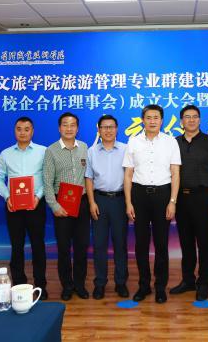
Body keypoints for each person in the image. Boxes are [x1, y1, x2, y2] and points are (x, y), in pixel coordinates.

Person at [123, 104, 181, 303]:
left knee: (161, 244)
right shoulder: (133, 141)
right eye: (148, 117)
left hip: (163, 195)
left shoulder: (170, 142)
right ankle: (144, 286)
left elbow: (175, 173)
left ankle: (160, 287)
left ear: (161, 120)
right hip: (139, 195)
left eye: (156, 117)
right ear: (143, 120)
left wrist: (172, 201)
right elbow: (128, 174)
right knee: (141, 244)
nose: (152, 121)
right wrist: (128, 202)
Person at [169, 105, 208, 301]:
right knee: (186, 242)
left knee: (204, 243)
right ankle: (188, 280)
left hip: (203, 197)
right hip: (181, 198)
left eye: (195, 117)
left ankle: (204, 282)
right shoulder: (174, 143)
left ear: (200, 120)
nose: (191, 120)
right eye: (187, 117)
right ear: (181, 121)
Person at [0, 116, 48, 300]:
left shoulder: (43, 151)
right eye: (19, 129)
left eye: (27, 129)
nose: (23, 132)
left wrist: (38, 196)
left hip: (36, 205)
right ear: (14, 131)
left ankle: (40, 285)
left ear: (32, 131)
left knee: (38, 246)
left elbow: (48, 177)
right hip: (13, 206)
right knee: (16, 246)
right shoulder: (6, 154)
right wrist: (7, 196)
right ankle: (19, 285)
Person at [44, 112, 90, 301]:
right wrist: (54, 205)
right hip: (61, 204)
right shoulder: (51, 150)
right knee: (63, 248)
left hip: (82, 202)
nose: (69, 128)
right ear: (59, 128)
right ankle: (67, 286)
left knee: (81, 247)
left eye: (72, 125)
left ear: (77, 128)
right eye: (65, 124)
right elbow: (47, 182)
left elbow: (89, 177)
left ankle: (79, 284)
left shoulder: (84, 148)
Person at [85, 115, 129, 300]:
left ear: (117, 129)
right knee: (99, 245)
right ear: (99, 130)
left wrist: (129, 203)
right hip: (99, 200)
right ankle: (100, 283)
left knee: (120, 244)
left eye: (111, 127)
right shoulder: (92, 151)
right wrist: (91, 202)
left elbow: (130, 176)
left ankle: (121, 282)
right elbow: (88, 178)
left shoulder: (126, 149)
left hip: (119, 200)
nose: (108, 130)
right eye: (104, 127)